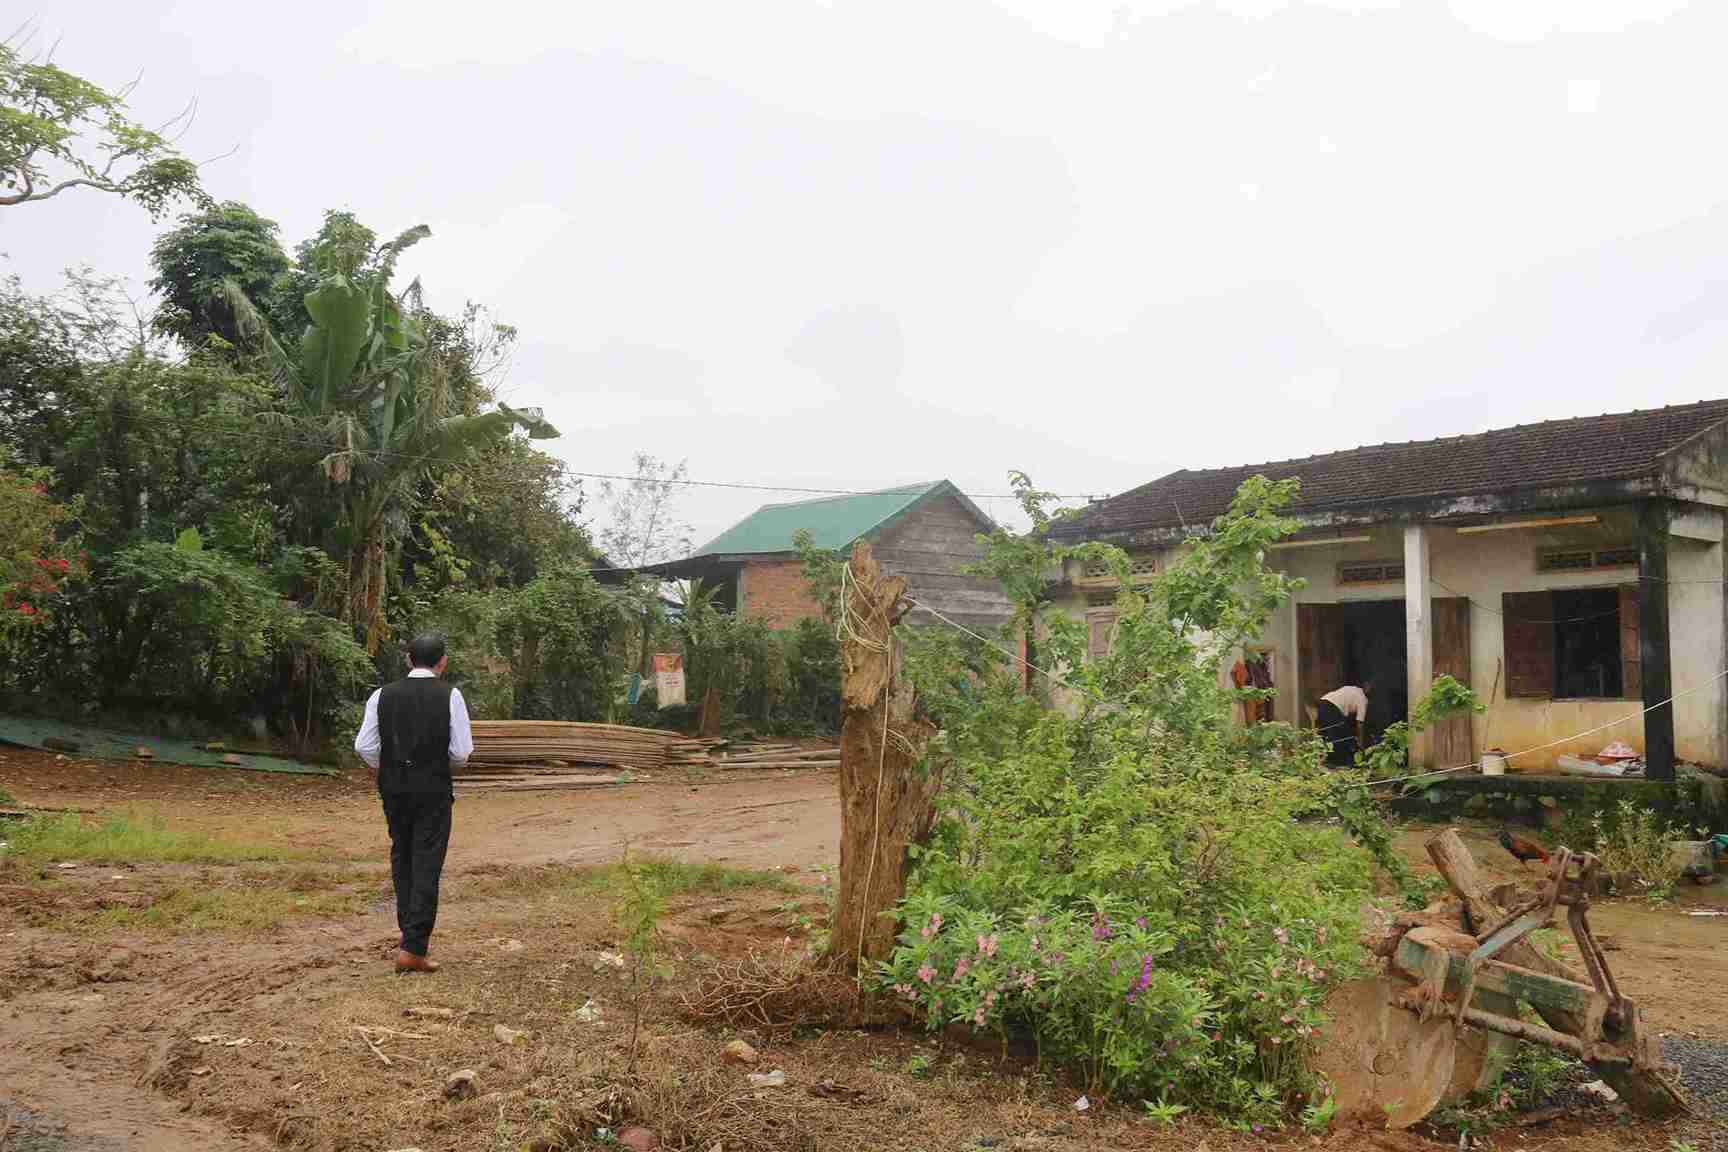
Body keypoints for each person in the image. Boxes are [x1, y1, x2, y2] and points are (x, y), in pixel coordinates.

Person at [354, 632, 473, 973]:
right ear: (442, 662)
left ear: (408, 659)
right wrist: (433, 766)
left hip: (393, 788)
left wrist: (390, 767)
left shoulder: (381, 695)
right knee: (426, 861)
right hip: (432, 788)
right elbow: (461, 753)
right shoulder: (450, 695)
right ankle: (413, 948)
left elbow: (364, 746)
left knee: (402, 855)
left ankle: (409, 935)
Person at [1316, 678, 1372, 768]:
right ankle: (1338, 762)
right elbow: (1360, 723)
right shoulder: (1362, 699)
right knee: (1343, 737)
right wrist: (1360, 742)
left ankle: (1326, 761)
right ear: (1366, 686)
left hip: (1323, 702)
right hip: (1333, 708)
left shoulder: (1353, 689)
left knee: (1326, 734)